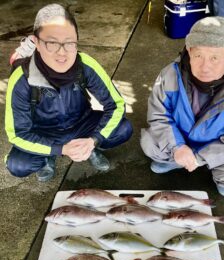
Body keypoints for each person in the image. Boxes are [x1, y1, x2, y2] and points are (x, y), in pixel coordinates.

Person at [140, 16, 224, 196]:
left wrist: (200, 158)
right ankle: (174, 160)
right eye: (198, 55)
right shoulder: (169, 75)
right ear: (189, 51)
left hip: (220, 147)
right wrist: (177, 147)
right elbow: (158, 115)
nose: (205, 67)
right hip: (181, 139)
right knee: (149, 143)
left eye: (215, 57)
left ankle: (215, 173)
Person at [5, 4, 132, 182]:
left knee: (123, 129)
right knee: (17, 165)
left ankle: (89, 149)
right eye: (51, 43)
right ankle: (47, 156)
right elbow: (17, 133)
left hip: (81, 125)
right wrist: (59, 149)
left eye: (70, 43)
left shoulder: (85, 64)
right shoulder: (21, 79)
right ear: (36, 43)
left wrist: (93, 140)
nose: (62, 53)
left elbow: (116, 104)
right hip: (43, 133)